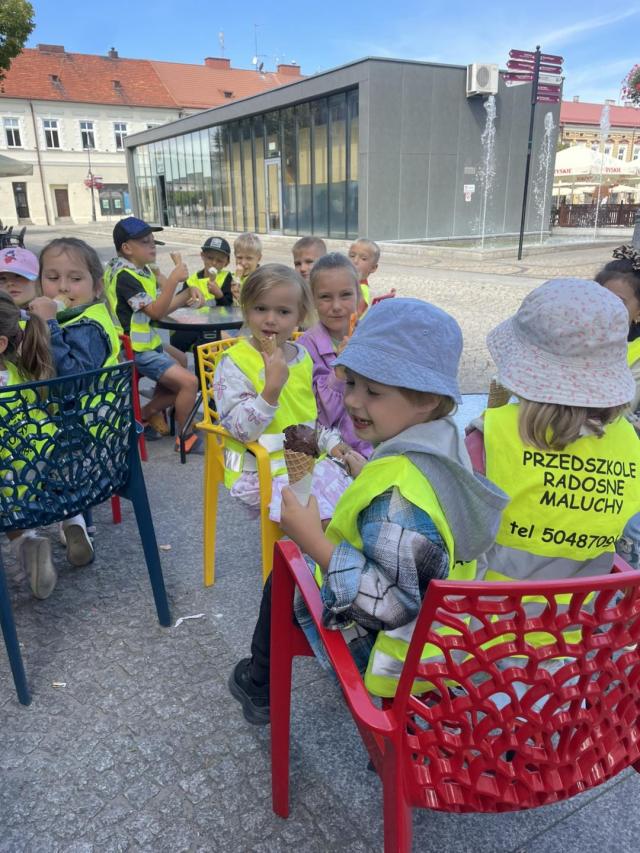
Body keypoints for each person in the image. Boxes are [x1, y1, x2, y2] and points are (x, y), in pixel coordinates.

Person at [228, 297, 507, 723]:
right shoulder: (444, 438)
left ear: (427, 399)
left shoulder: (395, 497)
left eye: (373, 391)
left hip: (396, 652)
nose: (354, 401)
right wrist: (368, 470)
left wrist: (313, 540)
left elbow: (387, 604)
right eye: (352, 383)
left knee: (286, 571)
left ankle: (258, 684)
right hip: (446, 626)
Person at [467, 278, 640, 596]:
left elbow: (457, 540)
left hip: (486, 619)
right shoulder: (629, 442)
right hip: (580, 621)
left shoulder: (489, 436)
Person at [213, 263, 351, 522]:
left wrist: (331, 443)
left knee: (354, 504)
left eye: (283, 311)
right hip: (256, 471)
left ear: (300, 316)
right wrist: (270, 392)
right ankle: (310, 546)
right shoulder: (234, 363)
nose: (270, 319)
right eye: (260, 308)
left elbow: (309, 416)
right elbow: (240, 430)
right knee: (322, 520)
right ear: (246, 309)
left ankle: (310, 546)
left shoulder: (303, 357)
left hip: (305, 464)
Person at [108, 216, 203, 453]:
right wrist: (173, 280)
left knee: (181, 360)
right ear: (127, 248)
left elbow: (161, 304)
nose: (152, 246)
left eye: (153, 241)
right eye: (145, 242)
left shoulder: (142, 270)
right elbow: (157, 312)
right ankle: (185, 437)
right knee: (190, 382)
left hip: (145, 342)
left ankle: (148, 414)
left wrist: (187, 293)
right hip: (133, 349)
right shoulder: (125, 277)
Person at [0, 292, 61, 598]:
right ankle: (29, 542)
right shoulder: (22, 374)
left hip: (10, 488)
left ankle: (25, 544)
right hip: (43, 478)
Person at [299, 253, 371, 457]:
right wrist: (339, 371)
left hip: (376, 443)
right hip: (334, 451)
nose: (336, 306)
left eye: (345, 295)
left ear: (359, 296)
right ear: (313, 300)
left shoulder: (371, 337)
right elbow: (323, 416)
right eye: (325, 297)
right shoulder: (305, 349)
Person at [595, 247, 640, 567]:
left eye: (619, 302)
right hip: (589, 462)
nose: (605, 310)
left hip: (624, 471)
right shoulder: (575, 343)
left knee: (628, 539)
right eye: (599, 298)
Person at [30, 238, 120, 375]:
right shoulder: (59, 315)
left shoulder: (89, 327)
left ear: (97, 287)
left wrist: (48, 325)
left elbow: (73, 381)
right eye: (53, 278)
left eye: (76, 279)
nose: (63, 287)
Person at [171, 236, 234, 354]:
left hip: (217, 324)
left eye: (219, 260)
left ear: (226, 263)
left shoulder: (226, 277)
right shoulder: (192, 279)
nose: (214, 263)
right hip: (194, 323)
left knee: (205, 344)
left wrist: (219, 295)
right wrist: (186, 301)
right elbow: (179, 302)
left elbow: (229, 308)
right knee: (177, 340)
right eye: (210, 258)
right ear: (202, 256)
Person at [348, 238, 380, 308]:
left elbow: (358, 312)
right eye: (352, 256)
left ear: (373, 268)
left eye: (363, 259)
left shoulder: (362, 289)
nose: (355, 261)